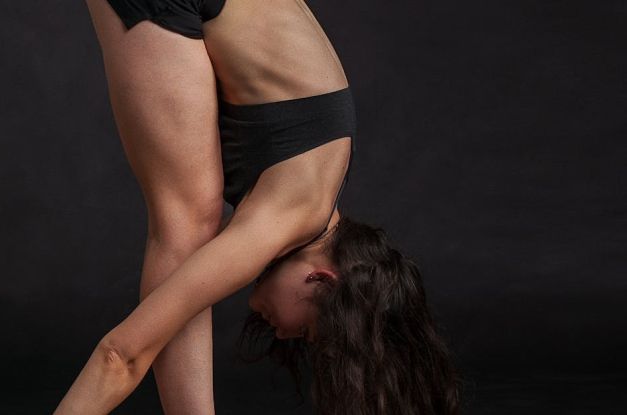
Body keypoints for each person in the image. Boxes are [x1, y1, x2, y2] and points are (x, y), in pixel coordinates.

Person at [55, 0, 461, 414]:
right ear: (322, 280)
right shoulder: (282, 220)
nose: (283, 335)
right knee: (186, 227)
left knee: (193, 228)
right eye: (306, 331)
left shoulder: (322, 178)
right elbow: (119, 356)